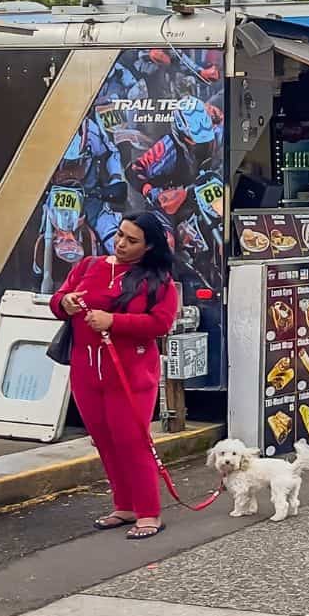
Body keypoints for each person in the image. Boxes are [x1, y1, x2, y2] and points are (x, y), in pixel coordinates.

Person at [50, 210, 181, 540]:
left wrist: (114, 322)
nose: (121, 243)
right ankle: (124, 506)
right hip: (86, 370)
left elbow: (160, 324)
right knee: (105, 441)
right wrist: (65, 302)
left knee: (133, 441)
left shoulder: (157, 281)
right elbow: (57, 300)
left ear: (149, 247)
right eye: (120, 235)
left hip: (131, 373)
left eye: (132, 240)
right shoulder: (88, 266)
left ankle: (148, 512)